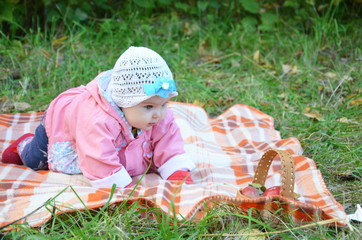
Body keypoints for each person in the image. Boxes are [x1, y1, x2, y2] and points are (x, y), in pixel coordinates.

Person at [1, 46, 196, 188]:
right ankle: (24, 145)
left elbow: (169, 141)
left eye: (164, 104)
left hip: (101, 137)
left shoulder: (157, 114)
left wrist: (176, 169)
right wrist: (119, 186)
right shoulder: (97, 120)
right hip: (64, 126)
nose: (158, 113)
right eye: (148, 106)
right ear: (123, 102)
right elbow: (98, 158)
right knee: (36, 161)